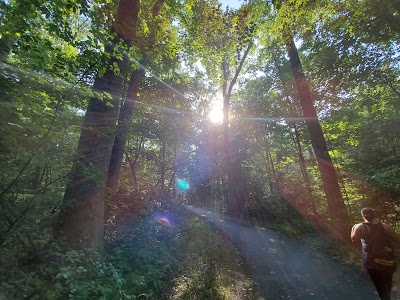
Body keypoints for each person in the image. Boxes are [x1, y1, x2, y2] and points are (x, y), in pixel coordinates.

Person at [351, 207, 400, 300]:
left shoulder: (360, 227)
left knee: (379, 285)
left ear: (363, 216)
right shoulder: (385, 226)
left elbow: (353, 240)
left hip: (372, 263)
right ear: (374, 215)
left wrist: (353, 228)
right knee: (387, 284)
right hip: (388, 261)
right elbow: (398, 240)